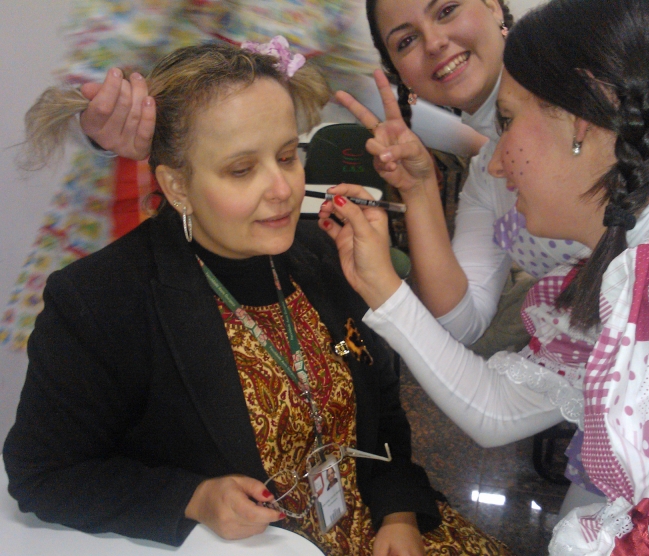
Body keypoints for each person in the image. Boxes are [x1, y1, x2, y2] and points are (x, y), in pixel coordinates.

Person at [321, 0, 649, 553]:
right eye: (405, 40)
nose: (494, 161)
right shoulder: (623, 258)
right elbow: (496, 403)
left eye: (506, 123)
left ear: (582, 115)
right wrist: (385, 280)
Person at [2, 42, 513, 556]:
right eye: (242, 169)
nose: (283, 189)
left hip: (376, 524)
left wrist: (399, 512)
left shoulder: (325, 255)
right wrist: (193, 498)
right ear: (177, 185)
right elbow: (43, 475)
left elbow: (381, 407)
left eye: (288, 157)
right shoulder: (102, 301)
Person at [0, 0, 484, 353]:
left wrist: (482, 145)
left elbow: (360, 89)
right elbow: (78, 98)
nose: (284, 188)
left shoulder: (318, 6)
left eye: (290, 155)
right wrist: (102, 127)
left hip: (235, 236)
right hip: (132, 215)